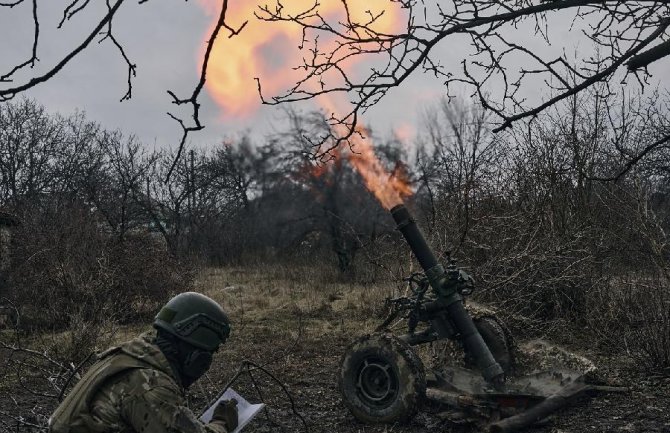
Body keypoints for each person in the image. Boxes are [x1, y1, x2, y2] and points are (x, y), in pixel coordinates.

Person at [49, 292, 238, 433]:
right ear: (196, 355)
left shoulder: (129, 354)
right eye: (208, 354)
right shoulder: (151, 385)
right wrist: (222, 423)